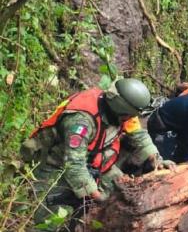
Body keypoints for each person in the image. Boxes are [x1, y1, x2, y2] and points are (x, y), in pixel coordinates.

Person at [20, 78, 174, 225]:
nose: (131, 118)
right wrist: (97, 198)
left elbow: (139, 136)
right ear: (122, 109)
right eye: (130, 115)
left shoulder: (121, 110)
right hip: (56, 164)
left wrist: (156, 159)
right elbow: (74, 165)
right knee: (49, 218)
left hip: (94, 160)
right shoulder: (81, 121)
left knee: (127, 194)